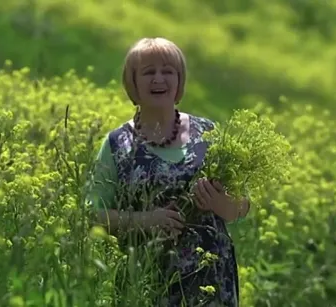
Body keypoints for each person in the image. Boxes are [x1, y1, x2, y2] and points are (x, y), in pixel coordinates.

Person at [85, 37, 251, 307]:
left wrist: (219, 203)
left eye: (167, 71)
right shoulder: (117, 144)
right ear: (133, 84)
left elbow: (242, 207)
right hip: (146, 282)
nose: (158, 79)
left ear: (179, 82)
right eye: (149, 72)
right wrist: (147, 220)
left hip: (211, 282)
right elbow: (93, 214)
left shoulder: (208, 134)